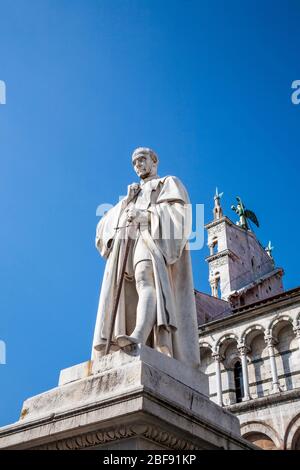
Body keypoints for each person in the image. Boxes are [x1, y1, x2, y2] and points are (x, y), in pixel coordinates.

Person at [92, 147, 200, 368]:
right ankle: (124, 339)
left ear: (154, 161)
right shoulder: (132, 193)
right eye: (134, 162)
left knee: (145, 277)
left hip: (150, 238)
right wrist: (125, 204)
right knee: (127, 290)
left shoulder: (168, 183)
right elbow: (102, 229)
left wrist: (147, 216)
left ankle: (139, 335)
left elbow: (181, 215)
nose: (138, 165)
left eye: (142, 160)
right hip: (126, 243)